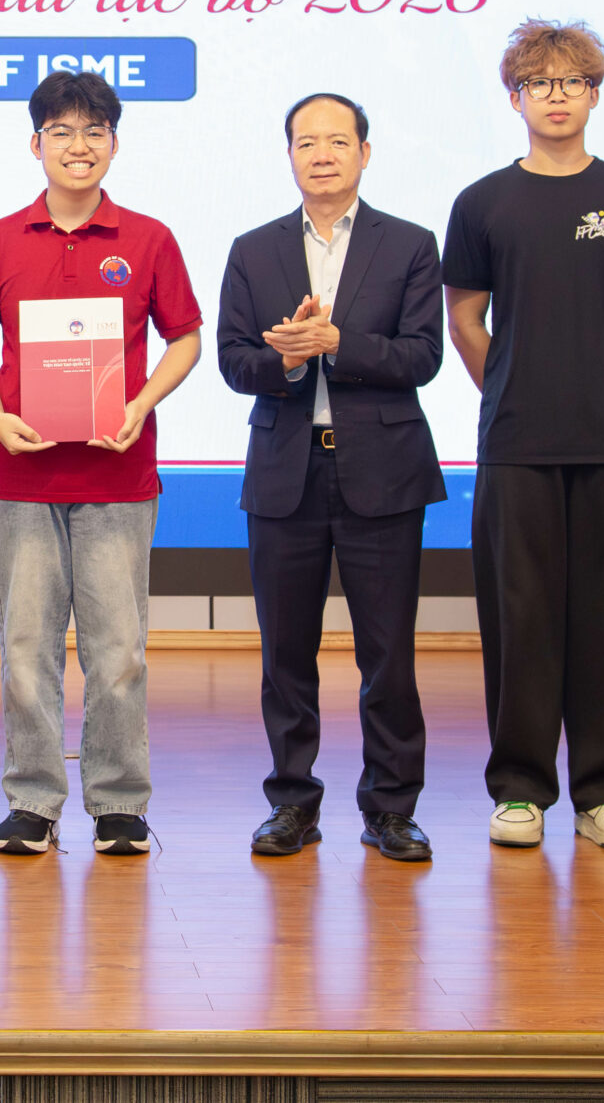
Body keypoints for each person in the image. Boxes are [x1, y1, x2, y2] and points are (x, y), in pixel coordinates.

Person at [444, 18, 604, 853]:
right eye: (539, 82)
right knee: (520, 617)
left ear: (594, 94)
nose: (556, 96)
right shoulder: (482, 202)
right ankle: (520, 789)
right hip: (516, 442)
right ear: (515, 97)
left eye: (572, 81)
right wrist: (515, 385)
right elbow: (465, 318)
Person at [0, 69, 203, 857]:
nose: (78, 144)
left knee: (118, 653)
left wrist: (141, 403)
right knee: (25, 651)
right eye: (61, 131)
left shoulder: (149, 239)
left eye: (94, 130)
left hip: (117, 478)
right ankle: (32, 799)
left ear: (114, 144)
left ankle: (120, 802)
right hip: (22, 479)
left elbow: (186, 338)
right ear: (36, 144)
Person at [217, 93, 445, 863]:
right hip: (285, 470)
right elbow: (233, 361)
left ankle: (392, 808)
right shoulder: (253, 249)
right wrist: (286, 358)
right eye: (306, 141)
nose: (322, 154)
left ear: (364, 153)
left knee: (388, 653)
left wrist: (339, 340)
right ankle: (292, 803)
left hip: (384, 470)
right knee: (286, 654)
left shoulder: (409, 244)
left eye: (338, 141)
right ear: (289, 154)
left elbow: (422, 355)